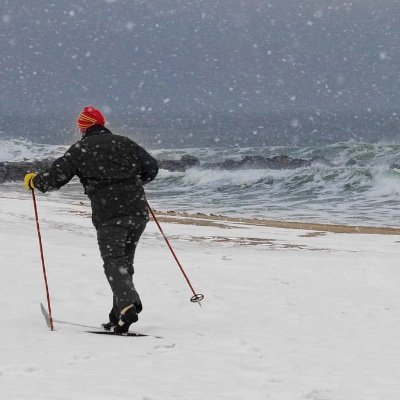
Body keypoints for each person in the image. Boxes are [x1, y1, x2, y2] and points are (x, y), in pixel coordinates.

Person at [24, 106, 158, 333]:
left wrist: (34, 181)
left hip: (109, 214)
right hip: (137, 211)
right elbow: (152, 168)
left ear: (83, 127)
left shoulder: (81, 149)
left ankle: (127, 304)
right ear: (102, 124)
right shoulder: (124, 142)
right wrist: (131, 184)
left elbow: (56, 178)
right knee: (124, 261)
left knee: (114, 259)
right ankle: (118, 316)